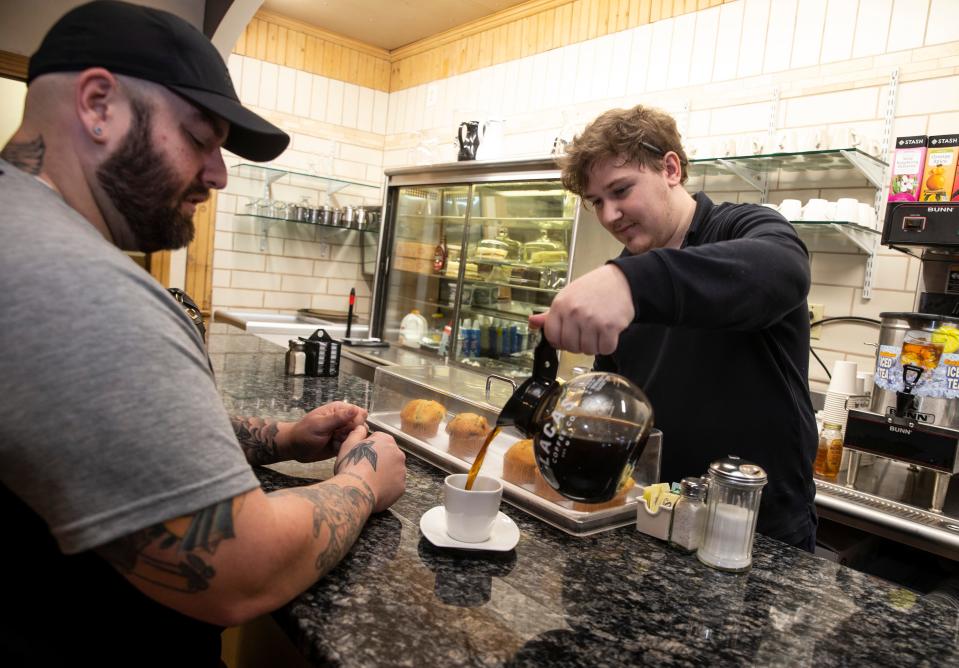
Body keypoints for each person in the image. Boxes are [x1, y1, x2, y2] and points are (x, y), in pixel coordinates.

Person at [0, 2, 406, 664]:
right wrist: (362, 481)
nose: (217, 174)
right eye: (199, 137)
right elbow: (242, 571)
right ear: (98, 104)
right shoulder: (79, 283)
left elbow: (100, 438)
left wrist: (279, 438)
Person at [530, 105, 817, 550]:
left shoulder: (740, 227)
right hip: (651, 517)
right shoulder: (625, 276)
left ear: (669, 168)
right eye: (597, 203)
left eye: (621, 190)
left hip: (758, 531)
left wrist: (631, 283)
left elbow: (782, 270)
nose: (609, 216)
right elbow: (612, 401)